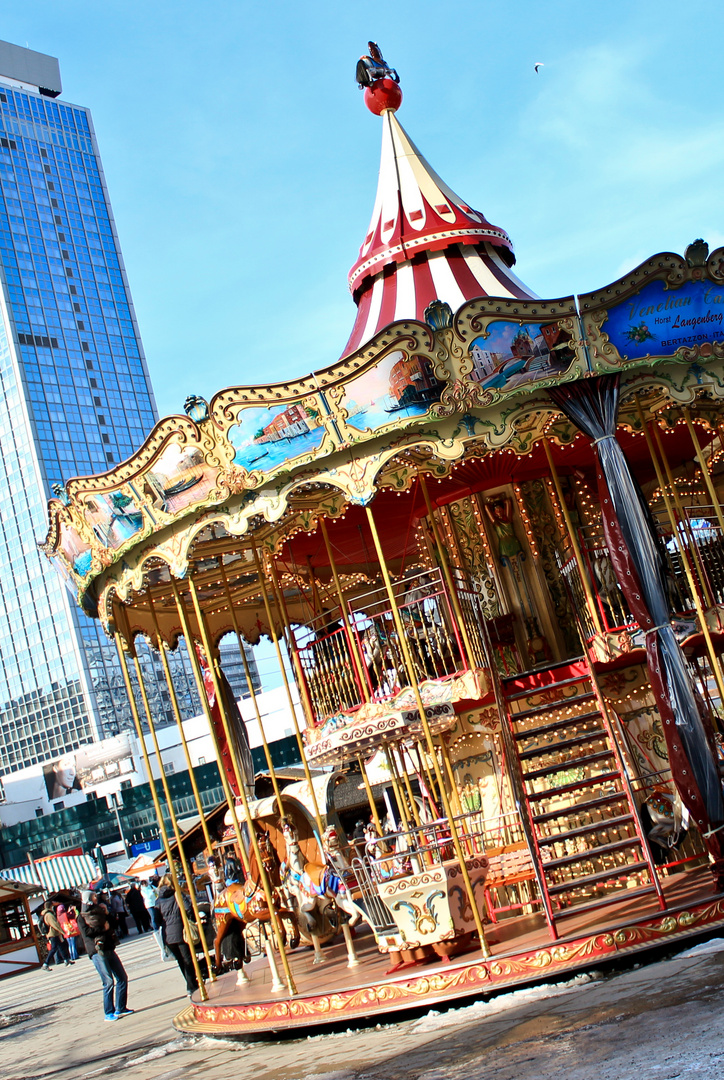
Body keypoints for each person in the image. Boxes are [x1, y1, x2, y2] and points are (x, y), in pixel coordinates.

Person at [78, 890, 133, 1022]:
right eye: (94, 897)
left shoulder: (101, 911)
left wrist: (108, 915)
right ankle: (108, 1012)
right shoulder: (82, 916)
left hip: (108, 947)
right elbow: (87, 933)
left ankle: (121, 1007)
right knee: (108, 981)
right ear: (88, 899)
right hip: (97, 951)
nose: (96, 898)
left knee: (122, 977)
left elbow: (113, 925)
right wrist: (103, 928)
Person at [155, 875, 198, 997]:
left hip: (167, 935)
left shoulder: (158, 900)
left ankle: (191, 985)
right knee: (188, 959)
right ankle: (191, 986)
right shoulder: (177, 894)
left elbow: (156, 919)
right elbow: (188, 908)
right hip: (180, 931)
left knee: (181, 960)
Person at [41, 901, 72, 969]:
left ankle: (66, 960)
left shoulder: (46, 914)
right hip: (53, 934)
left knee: (61, 946)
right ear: (50, 906)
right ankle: (46, 964)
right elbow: (54, 924)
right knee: (54, 948)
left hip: (54, 933)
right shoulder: (49, 915)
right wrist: (62, 932)